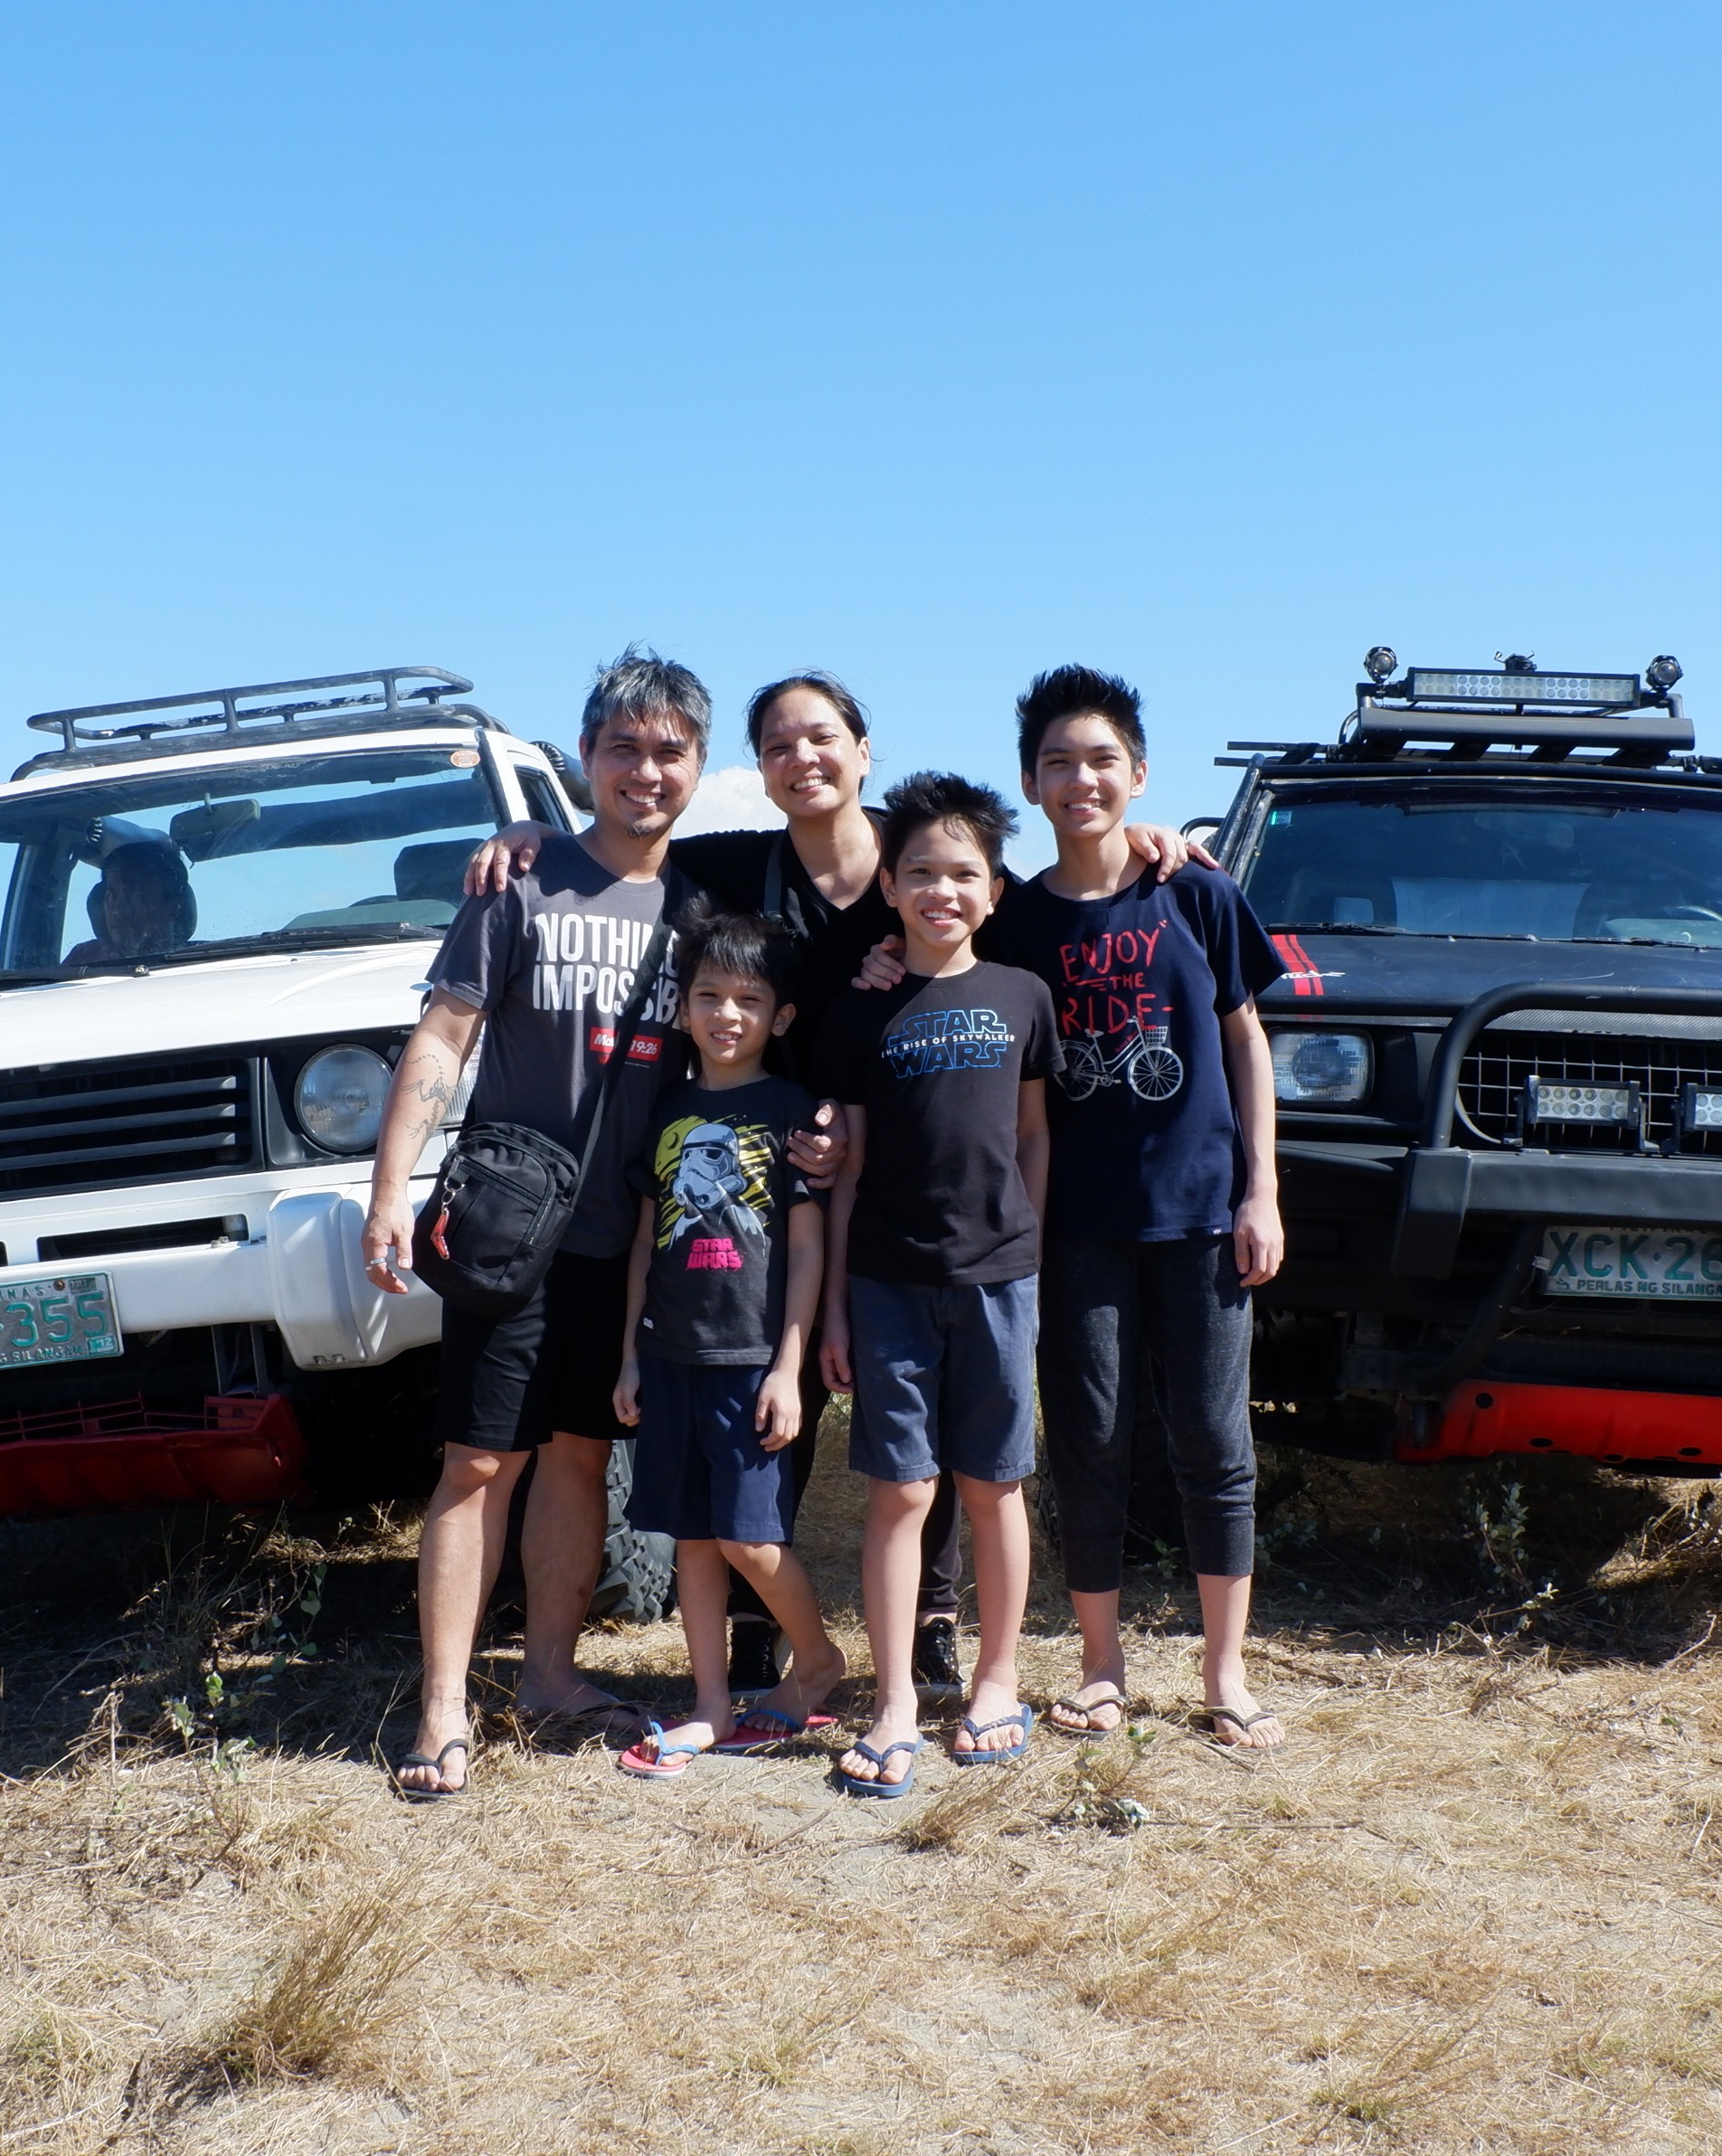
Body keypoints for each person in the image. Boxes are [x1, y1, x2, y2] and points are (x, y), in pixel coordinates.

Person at [461, 674, 1208, 1695]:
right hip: (775, 1180)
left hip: (914, 1186)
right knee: (786, 1393)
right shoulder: (732, 865)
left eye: (823, 737)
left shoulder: (920, 857)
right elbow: (627, 848)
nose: (801, 757)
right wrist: (528, 835)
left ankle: (934, 1621)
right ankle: (760, 1628)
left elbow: (1027, 892)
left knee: (950, 1430)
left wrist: (1150, 838)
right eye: (777, 744)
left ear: (864, 750)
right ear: (761, 770)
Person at [360, 648, 706, 1801]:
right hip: (511, 1230)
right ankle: (445, 1703)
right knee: (475, 1460)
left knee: (577, 1457)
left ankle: (550, 1676)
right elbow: (444, 1038)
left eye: (669, 752)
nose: (644, 772)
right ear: (586, 758)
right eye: (623, 748)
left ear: (698, 766)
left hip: (629, 1233)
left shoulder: (705, 904)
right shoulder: (517, 881)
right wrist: (387, 1192)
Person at [981, 667, 1292, 1751]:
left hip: (1203, 1217)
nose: (1082, 778)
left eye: (1103, 758)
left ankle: (1225, 1671)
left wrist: (1263, 1188)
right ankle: (1101, 1666)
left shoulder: (1195, 889)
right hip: (1074, 1228)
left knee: (1213, 1440)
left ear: (1140, 773)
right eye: (1059, 761)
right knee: (1090, 1443)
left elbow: (1248, 1038)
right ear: (1029, 780)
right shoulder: (1014, 921)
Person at [814, 771, 1055, 1798]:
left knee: (993, 1483)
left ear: (993, 890)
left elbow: (1037, 1135)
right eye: (920, 871)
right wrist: (831, 1304)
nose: (940, 889)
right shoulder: (862, 1009)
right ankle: (896, 1701)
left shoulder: (1023, 996)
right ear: (892, 888)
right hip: (887, 1280)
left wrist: (1024, 1245)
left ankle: (997, 1679)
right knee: (901, 1489)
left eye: (963, 873)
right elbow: (845, 1168)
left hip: (1000, 1278)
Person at [606, 912, 848, 1778]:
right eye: (709, 995)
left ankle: (817, 1659)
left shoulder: (792, 1111)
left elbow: (811, 1246)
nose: (728, 1014)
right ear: (683, 1007)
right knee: (694, 1540)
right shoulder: (665, 1109)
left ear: (780, 1017)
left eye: (749, 999)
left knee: (750, 1537)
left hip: (752, 1361)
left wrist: (789, 1363)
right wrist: (632, 1355)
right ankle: (710, 1701)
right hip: (669, 1354)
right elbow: (644, 1239)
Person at [64, 840, 193, 963]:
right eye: (111, 896)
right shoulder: (83, 961)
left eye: (134, 896)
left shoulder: (201, 962)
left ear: (174, 908)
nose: (118, 911)